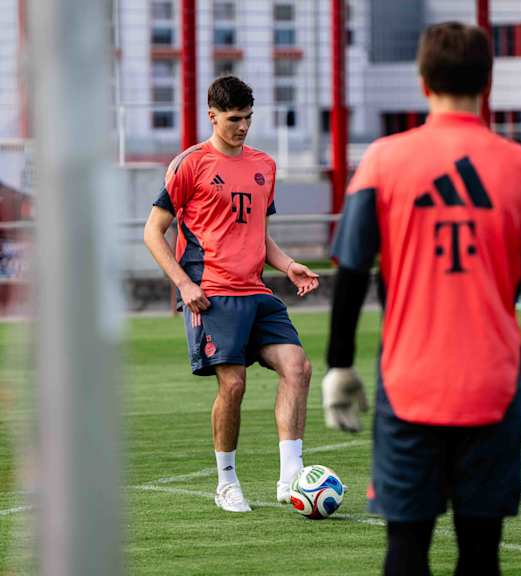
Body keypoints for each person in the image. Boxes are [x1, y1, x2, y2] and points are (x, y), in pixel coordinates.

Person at [321, 23, 521, 575]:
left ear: (422, 80)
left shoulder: (384, 161)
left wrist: (340, 364)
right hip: (492, 385)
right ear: (488, 80)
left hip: (411, 388)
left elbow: (353, 270)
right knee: (481, 554)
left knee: (406, 549)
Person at [143, 75, 321, 513]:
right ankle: (226, 482)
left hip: (256, 291)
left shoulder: (264, 165)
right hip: (213, 294)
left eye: (248, 119)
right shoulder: (189, 164)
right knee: (235, 383)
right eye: (234, 119)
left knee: (298, 367)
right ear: (213, 116)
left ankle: (290, 479)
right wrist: (185, 284)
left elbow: (258, 233)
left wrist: (287, 263)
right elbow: (153, 232)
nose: (242, 127)